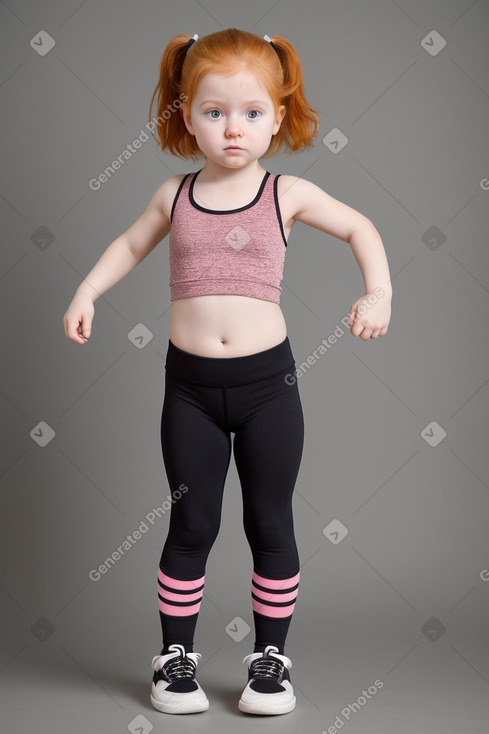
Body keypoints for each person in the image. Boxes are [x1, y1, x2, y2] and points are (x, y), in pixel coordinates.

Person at [63, 28, 392, 717]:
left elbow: (361, 228)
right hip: (188, 390)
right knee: (192, 523)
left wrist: (378, 291)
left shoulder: (287, 192)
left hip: (267, 389)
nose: (233, 129)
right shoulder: (173, 195)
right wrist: (86, 292)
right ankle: (172, 660)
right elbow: (128, 244)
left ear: (279, 113)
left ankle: (270, 662)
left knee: (270, 521)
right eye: (213, 112)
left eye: (251, 113)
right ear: (185, 114)